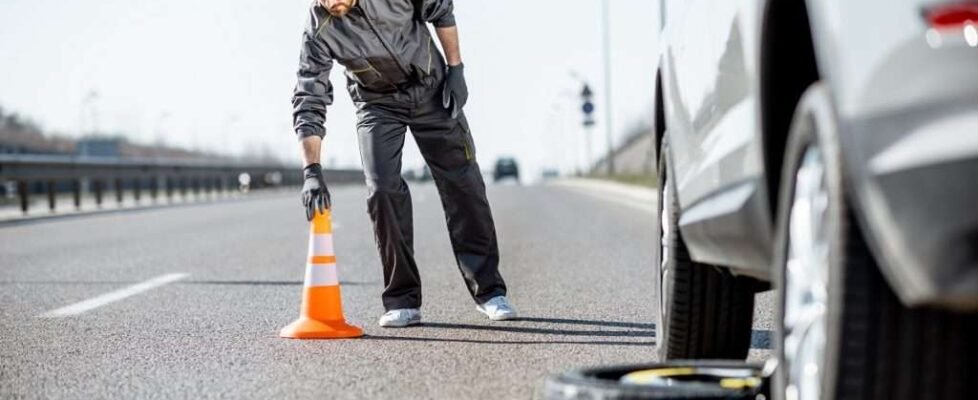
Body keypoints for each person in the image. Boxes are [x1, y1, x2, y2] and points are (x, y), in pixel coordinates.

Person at [292, 0, 517, 327]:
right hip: (377, 104)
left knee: (463, 185)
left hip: (431, 89)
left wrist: (456, 69)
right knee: (382, 188)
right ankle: (402, 300)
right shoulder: (319, 26)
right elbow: (309, 96)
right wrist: (311, 171)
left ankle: (489, 291)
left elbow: (441, 8)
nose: (332, 2)